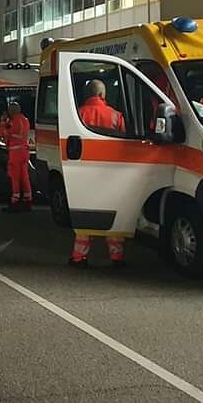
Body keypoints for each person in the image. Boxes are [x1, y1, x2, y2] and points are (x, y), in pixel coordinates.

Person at [72, 79, 127, 268]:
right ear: (102, 95)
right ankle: (116, 257)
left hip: (85, 174)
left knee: (86, 215)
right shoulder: (116, 116)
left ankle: (79, 257)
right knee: (112, 214)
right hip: (111, 174)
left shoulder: (78, 114)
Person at [1, 100, 32, 213]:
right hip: (24, 152)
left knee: (14, 178)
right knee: (25, 177)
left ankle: (15, 201)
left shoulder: (13, 122)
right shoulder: (25, 120)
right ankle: (28, 199)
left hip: (15, 153)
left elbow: (6, 134)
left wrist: (3, 122)